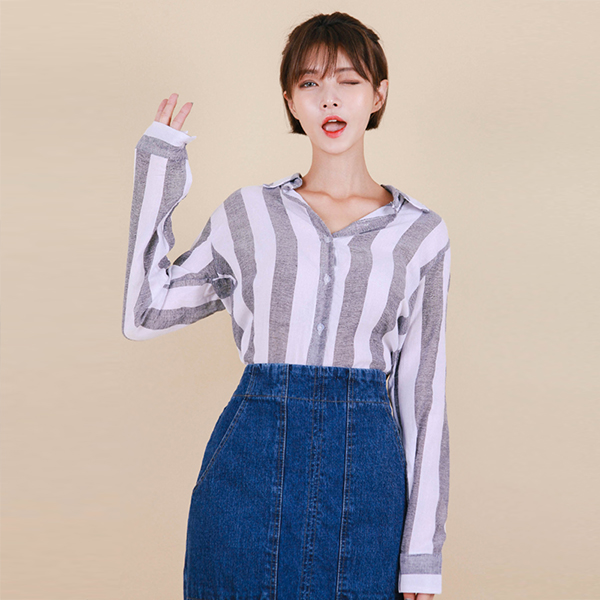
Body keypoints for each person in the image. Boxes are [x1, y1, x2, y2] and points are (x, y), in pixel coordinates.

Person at [122, 11, 451, 600]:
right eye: (310, 83)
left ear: (378, 96)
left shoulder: (421, 234)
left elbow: (423, 397)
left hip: (366, 491)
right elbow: (145, 312)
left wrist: (421, 556)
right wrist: (159, 168)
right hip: (246, 479)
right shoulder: (248, 214)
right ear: (291, 102)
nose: (330, 98)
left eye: (349, 81)